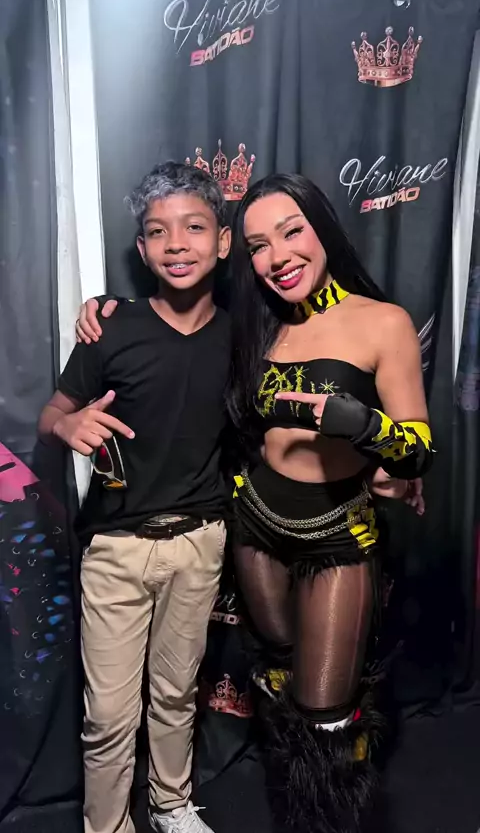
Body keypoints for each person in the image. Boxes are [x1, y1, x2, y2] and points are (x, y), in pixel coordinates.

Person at [75, 173, 430, 833]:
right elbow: (172, 325)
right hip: (253, 528)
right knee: (276, 673)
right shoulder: (254, 324)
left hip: (336, 534)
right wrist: (103, 307)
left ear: (323, 229)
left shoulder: (383, 322)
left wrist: (361, 425)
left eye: (292, 233)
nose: (278, 256)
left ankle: (325, 820)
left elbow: (417, 449)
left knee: (325, 709)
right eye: (260, 245)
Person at [38, 161, 232, 833]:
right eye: (157, 231)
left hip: (199, 544)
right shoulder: (111, 327)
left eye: (194, 227)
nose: (176, 243)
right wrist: (68, 426)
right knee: (109, 716)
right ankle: (108, 824)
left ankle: (171, 804)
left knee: (177, 696)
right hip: (116, 550)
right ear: (142, 249)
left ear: (223, 241)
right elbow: (51, 415)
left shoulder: (243, 335)